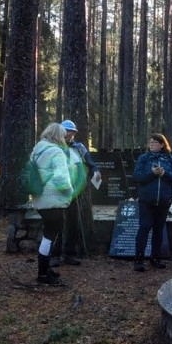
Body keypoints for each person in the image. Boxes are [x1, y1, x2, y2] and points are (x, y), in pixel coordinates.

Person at [48, 119, 101, 266]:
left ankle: (70, 254)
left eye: (72, 132)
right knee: (57, 222)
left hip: (74, 191)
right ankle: (54, 255)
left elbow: (90, 162)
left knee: (73, 223)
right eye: (66, 131)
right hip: (56, 191)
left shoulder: (79, 147)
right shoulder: (53, 146)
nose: (69, 135)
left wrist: (96, 171)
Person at [30, 122, 75, 286]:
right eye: (64, 135)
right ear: (58, 136)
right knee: (50, 237)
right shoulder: (56, 151)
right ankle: (43, 273)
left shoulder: (37, 150)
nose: (65, 138)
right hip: (54, 200)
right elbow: (61, 179)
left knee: (48, 235)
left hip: (40, 198)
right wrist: (71, 193)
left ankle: (45, 269)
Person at [131, 133, 172, 272]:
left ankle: (155, 258)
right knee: (144, 227)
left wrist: (165, 174)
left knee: (158, 229)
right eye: (150, 142)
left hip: (164, 200)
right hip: (146, 200)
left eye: (155, 142)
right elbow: (136, 176)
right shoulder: (144, 158)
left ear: (162, 144)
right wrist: (152, 173)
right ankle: (139, 259)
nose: (151, 144)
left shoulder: (170, 159)